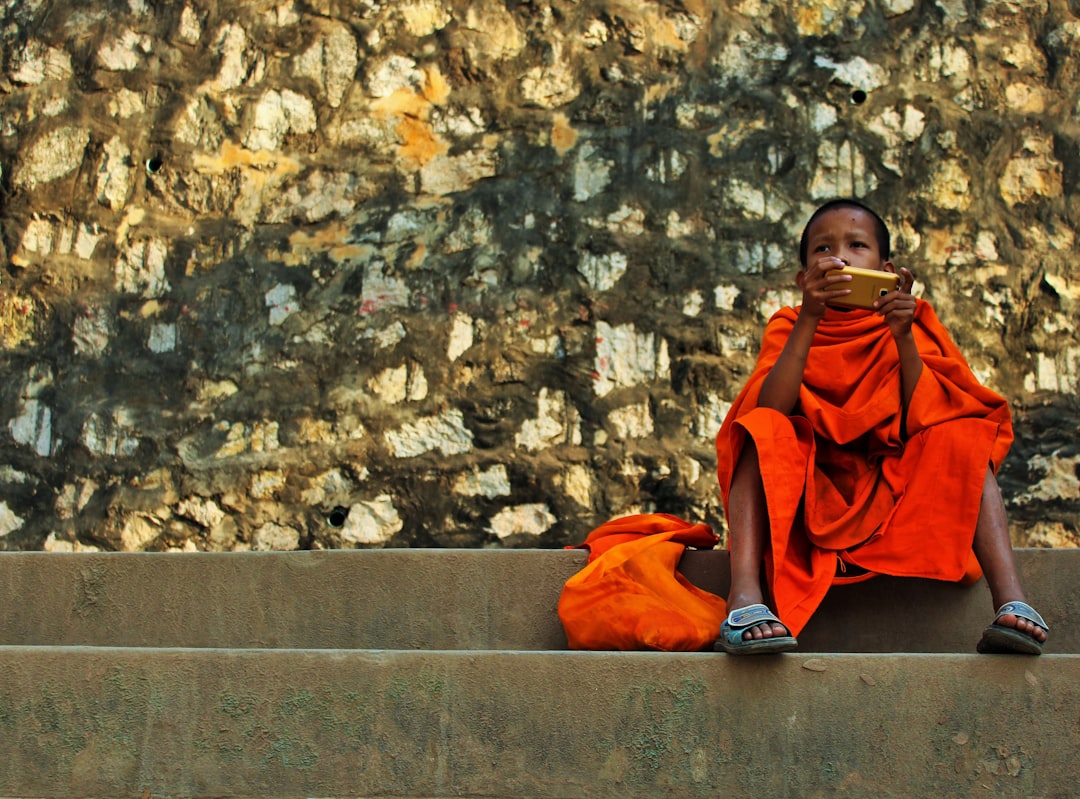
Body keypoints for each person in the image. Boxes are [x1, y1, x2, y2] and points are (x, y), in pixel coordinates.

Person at [713, 198, 1049, 655]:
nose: (840, 257)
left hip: (888, 485)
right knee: (759, 431)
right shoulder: (790, 323)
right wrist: (810, 318)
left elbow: (924, 418)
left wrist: (903, 335)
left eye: (856, 245)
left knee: (963, 435)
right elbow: (773, 405)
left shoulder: (910, 319)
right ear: (802, 277)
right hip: (813, 486)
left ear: (886, 268)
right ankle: (745, 597)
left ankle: (1012, 599)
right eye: (822, 249)